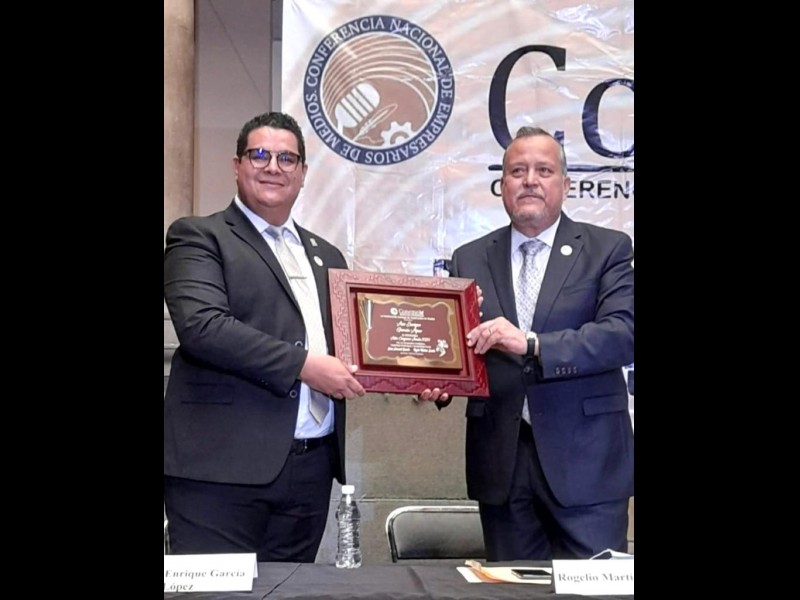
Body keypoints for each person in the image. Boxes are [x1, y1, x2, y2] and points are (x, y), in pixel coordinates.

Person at [422, 126, 634, 560]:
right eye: (517, 171)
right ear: (502, 184)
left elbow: (623, 334)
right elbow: (461, 348)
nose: (530, 180)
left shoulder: (608, 248)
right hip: (502, 466)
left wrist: (533, 343)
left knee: (593, 590)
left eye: (544, 170)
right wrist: (439, 379)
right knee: (508, 587)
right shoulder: (469, 257)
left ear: (566, 184)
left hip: (588, 465)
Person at [164, 111, 366, 562]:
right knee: (215, 596)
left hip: (310, 472)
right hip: (218, 474)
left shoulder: (327, 255)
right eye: (259, 155)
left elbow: (354, 347)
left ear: (303, 173)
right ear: (237, 165)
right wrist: (304, 366)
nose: (273, 167)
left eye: (286, 158)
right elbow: (203, 328)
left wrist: (423, 373)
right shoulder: (199, 237)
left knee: (294, 591)